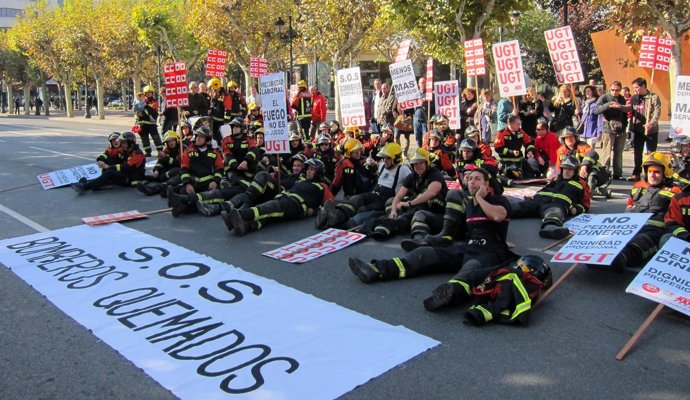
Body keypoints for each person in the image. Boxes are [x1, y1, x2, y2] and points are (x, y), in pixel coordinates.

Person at [348, 168, 518, 311]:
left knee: (470, 271)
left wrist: (480, 198)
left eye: (477, 179)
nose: (472, 182)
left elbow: (497, 216)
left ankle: (449, 294)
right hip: (467, 247)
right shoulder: (470, 206)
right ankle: (376, 270)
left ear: (487, 184)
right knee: (424, 253)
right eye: (470, 178)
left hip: (490, 253)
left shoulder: (498, 200)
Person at [591, 152, 679, 271]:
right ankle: (597, 256)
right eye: (649, 172)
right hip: (632, 226)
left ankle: (622, 257)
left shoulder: (675, 191)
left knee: (639, 242)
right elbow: (629, 207)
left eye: (657, 172)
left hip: (655, 230)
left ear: (665, 173)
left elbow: (676, 217)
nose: (652, 175)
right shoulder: (638, 186)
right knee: (609, 239)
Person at [221, 158, 333, 235]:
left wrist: (314, 211)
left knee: (269, 208)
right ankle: (245, 226)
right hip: (286, 199)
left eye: (312, 169)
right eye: (308, 168)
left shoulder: (322, 186)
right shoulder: (302, 181)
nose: (308, 171)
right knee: (269, 217)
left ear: (318, 172)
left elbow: (331, 204)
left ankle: (239, 214)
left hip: (295, 204)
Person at [316, 142, 411, 230]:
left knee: (363, 209)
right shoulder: (382, 165)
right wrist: (372, 165)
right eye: (384, 157)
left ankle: (334, 220)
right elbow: (373, 173)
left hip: (385, 200)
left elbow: (412, 185)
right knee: (357, 199)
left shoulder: (403, 169)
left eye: (388, 158)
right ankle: (336, 215)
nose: (385, 160)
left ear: (396, 158)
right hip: (373, 194)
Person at [370, 148, 447, 240]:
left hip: (436, 208)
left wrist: (409, 203)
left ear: (427, 163)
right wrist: (394, 211)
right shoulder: (412, 176)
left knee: (425, 199)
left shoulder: (435, 174)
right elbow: (399, 195)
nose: (418, 166)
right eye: (415, 164)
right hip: (418, 206)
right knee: (391, 201)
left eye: (421, 163)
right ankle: (392, 222)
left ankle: (397, 224)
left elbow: (431, 193)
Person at [510, 155, 590, 239]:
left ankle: (550, 229)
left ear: (575, 171)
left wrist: (576, 209)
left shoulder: (581, 184)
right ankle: (498, 214)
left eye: (570, 169)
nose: (566, 171)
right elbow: (544, 189)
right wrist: (534, 196)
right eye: (565, 168)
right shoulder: (555, 180)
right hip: (538, 201)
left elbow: (586, 204)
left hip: (556, 205)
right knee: (515, 207)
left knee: (554, 214)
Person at [167, 127, 224, 217]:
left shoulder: (215, 154)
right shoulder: (189, 152)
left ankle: (181, 207)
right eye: (197, 136)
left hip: (208, 186)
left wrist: (215, 182)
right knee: (183, 192)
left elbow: (220, 169)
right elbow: (184, 169)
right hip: (193, 185)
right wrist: (187, 184)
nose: (198, 138)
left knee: (211, 198)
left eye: (201, 136)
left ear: (207, 139)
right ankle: (178, 202)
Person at [71, 132, 146, 193]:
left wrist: (109, 167)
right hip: (126, 174)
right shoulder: (126, 149)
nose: (122, 145)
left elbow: (126, 167)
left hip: (132, 179)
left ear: (130, 143)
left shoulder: (138, 154)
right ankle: (97, 183)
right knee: (109, 165)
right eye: (122, 143)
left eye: (124, 143)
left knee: (110, 172)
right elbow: (110, 153)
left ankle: (84, 186)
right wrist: (100, 160)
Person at [594, 81, 631, 180]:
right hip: (608, 129)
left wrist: (620, 106)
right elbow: (596, 110)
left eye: (617, 90)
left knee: (618, 152)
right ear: (609, 89)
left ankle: (617, 173)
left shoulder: (622, 99)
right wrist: (608, 105)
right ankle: (605, 172)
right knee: (607, 152)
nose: (615, 92)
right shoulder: (604, 97)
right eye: (613, 90)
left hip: (620, 128)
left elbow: (626, 112)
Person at [629, 77, 662, 181]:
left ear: (643, 86)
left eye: (636, 87)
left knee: (651, 153)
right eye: (633, 88)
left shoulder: (654, 97)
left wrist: (651, 123)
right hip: (638, 130)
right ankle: (636, 173)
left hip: (651, 131)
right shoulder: (634, 98)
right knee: (637, 153)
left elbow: (657, 113)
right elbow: (629, 108)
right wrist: (620, 106)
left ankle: (649, 174)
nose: (635, 90)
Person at [137, 130, 182, 196]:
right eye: (169, 141)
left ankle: (154, 189)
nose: (171, 143)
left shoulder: (181, 149)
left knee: (176, 171)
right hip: (168, 170)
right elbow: (160, 161)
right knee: (157, 174)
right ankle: (148, 180)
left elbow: (180, 163)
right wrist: (156, 170)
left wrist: (166, 157)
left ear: (176, 140)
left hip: (178, 171)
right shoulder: (166, 149)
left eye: (172, 140)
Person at [494, 115, 535, 181]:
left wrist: (530, 151)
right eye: (517, 124)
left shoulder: (520, 132)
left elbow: (528, 143)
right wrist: (511, 152)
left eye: (519, 124)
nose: (519, 126)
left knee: (530, 174)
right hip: (507, 162)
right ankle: (503, 170)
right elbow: (498, 148)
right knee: (514, 174)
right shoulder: (501, 133)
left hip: (519, 160)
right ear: (510, 124)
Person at [134, 85, 163, 157]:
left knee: (156, 138)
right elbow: (136, 109)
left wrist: (143, 112)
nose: (149, 94)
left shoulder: (154, 101)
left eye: (150, 92)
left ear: (152, 93)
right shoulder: (141, 101)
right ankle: (147, 152)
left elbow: (151, 110)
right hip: (142, 124)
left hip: (151, 124)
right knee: (144, 138)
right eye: (147, 93)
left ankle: (160, 151)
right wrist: (138, 114)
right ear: (144, 93)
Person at [208, 77, 232, 146]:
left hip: (221, 121)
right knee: (214, 136)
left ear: (216, 85)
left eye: (212, 87)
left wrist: (226, 122)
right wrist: (210, 109)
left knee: (221, 137)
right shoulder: (216, 93)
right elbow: (213, 104)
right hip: (214, 120)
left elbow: (228, 109)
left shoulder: (225, 95)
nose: (211, 89)